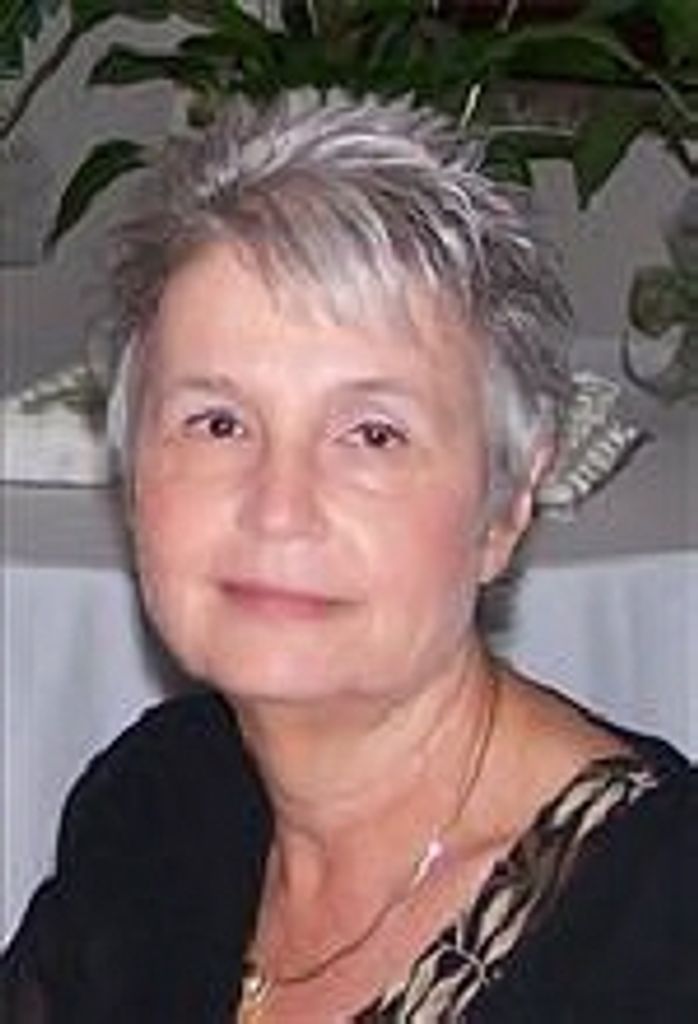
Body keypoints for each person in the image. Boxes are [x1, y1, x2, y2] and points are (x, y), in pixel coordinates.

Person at [1, 89, 696, 1024]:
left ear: (508, 502)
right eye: (217, 422)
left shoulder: (659, 928)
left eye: (373, 434)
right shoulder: (157, 805)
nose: (279, 508)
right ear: (131, 475)